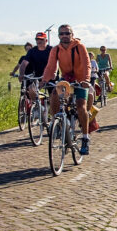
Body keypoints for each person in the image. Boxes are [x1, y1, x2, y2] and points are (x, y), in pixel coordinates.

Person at [42, 24, 93, 155]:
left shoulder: (79, 47)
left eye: (67, 33)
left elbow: (87, 64)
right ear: (58, 35)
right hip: (66, 79)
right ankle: (56, 123)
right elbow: (50, 66)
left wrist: (86, 80)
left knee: (81, 106)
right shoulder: (56, 50)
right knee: (54, 94)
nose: (64, 36)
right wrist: (44, 80)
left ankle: (85, 138)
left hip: (81, 80)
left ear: (72, 34)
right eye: (61, 33)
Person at [19, 32, 52, 106]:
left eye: (41, 39)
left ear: (46, 40)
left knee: (54, 94)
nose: (39, 41)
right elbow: (24, 63)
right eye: (37, 39)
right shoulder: (32, 51)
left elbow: (53, 65)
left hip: (51, 77)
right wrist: (21, 74)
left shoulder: (51, 50)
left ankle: (52, 112)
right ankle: (37, 106)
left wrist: (46, 79)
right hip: (38, 77)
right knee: (31, 89)